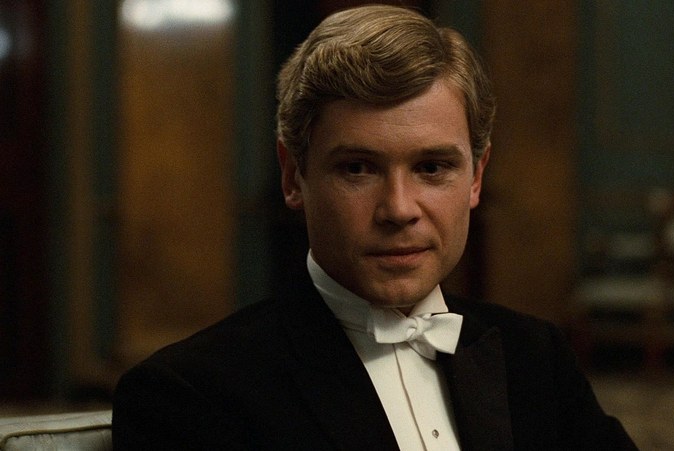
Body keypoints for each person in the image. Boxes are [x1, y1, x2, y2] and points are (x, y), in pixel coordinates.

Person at [112, 4, 636, 450]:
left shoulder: (535, 358)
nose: (398, 209)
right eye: (358, 168)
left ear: (476, 177)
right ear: (294, 177)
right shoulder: (191, 393)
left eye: (432, 168)